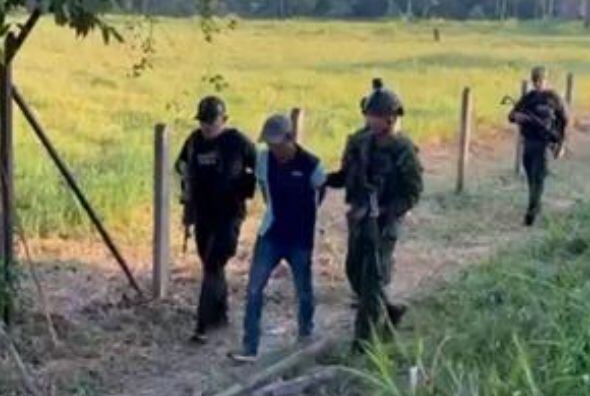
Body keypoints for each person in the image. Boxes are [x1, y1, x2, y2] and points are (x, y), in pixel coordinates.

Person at [325, 84, 424, 353]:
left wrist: (386, 211)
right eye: (369, 114)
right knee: (355, 272)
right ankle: (390, 311)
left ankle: (363, 343)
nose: (370, 119)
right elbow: (346, 175)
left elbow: (413, 192)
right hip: (359, 216)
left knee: (373, 279)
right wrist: (323, 180)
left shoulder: (403, 149)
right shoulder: (359, 142)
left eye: (375, 115)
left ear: (390, 118)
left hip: (384, 222)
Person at [228, 114, 327, 364]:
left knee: (304, 290)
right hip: (271, 234)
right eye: (270, 145)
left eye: (277, 144)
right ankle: (250, 347)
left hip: (300, 238)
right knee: (253, 290)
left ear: (290, 138)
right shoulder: (264, 160)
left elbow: (321, 191)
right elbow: (264, 189)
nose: (274, 150)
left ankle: (305, 335)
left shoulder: (312, 165)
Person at [175, 96, 257, 345]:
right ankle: (220, 315)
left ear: (224, 119)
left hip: (229, 213)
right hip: (203, 214)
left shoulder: (237, 141)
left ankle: (202, 324)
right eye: (203, 121)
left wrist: (247, 187)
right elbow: (181, 165)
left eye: (212, 121)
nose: (207, 127)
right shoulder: (194, 141)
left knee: (213, 262)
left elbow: (258, 167)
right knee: (211, 265)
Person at [507, 66, 568, 227]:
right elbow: (512, 115)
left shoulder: (553, 98)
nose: (539, 83)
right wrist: (518, 117)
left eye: (541, 80)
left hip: (544, 144)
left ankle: (531, 212)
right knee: (531, 177)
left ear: (546, 80)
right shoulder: (528, 98)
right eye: (536, 80)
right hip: (529, 143)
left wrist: (561, 144)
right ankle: (536, 204)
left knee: (538, 178)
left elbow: (563, 122)